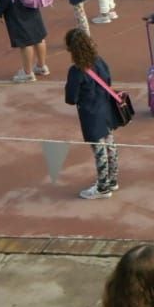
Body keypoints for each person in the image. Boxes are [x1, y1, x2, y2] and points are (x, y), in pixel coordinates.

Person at [65, 28, 122, 199]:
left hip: (90, 113)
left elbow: (71, 98)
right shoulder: (99, 61)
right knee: (110, 145)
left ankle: (103, 186)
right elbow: (108, 80)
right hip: (105, 108)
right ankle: (112, 180)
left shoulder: (76, 71)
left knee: (99, 149)